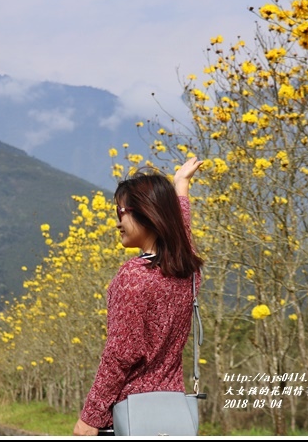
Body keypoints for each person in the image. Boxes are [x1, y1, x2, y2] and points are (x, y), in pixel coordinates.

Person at [73, 156, 205, 436]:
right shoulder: (188, 271)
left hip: (127, 414)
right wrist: (181, 187)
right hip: (171, 412)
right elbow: (184, 233)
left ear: (147, 213)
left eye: (121, 212)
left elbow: (121, 353)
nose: (117, 221)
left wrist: (91, 416)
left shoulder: (135, 276)